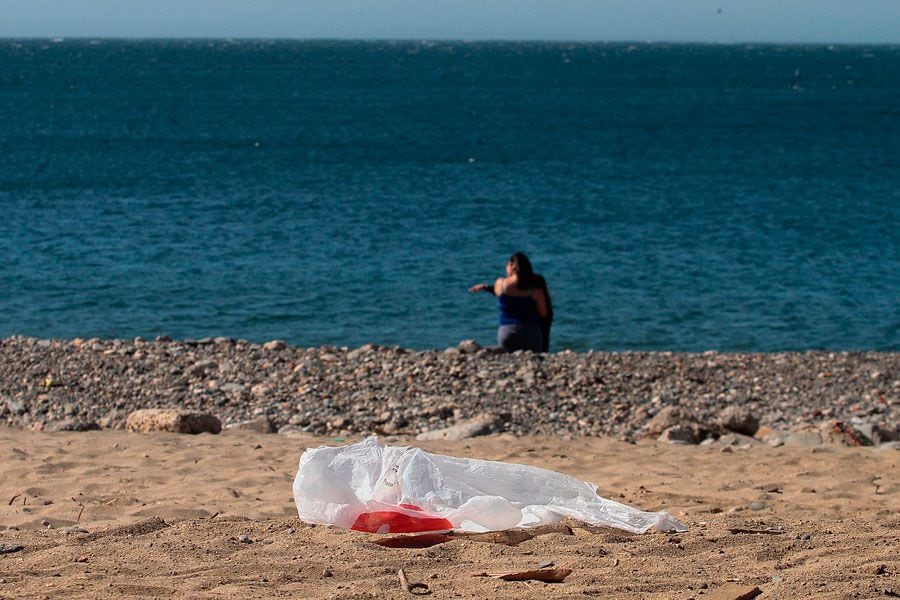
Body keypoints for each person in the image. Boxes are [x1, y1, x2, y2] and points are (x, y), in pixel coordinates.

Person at [469, 252, 552, 353]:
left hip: (507, 333)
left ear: (513, 266)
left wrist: (485, 287)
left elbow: (498, 292)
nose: (506, 267)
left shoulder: (501, 284)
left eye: (507, 264)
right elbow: (543, 313)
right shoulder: (535, 289)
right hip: (531, 333)